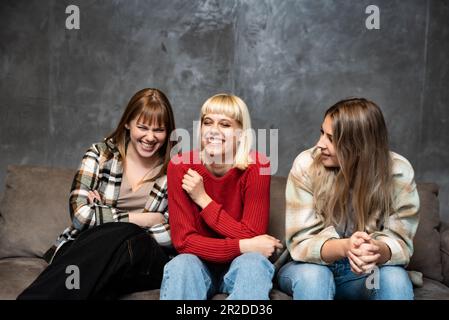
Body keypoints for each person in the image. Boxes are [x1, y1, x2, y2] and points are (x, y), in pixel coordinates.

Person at [18, 88, 177, 299]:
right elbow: (80, 216)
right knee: (101, 270)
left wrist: (104, 215)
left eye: (159, 130)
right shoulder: (101, 154)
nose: (150, 137)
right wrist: (143, 219)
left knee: (121, 238)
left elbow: (177, 232)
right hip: (93, 251)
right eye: (142, 127)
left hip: (144, 255)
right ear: (128, 124)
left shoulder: (176, 168)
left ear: (168, 132)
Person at [278, 98, 420, 300]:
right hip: (311, 267)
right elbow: (301, 244)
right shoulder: (306, 165)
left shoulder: (398, 171)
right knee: (314, 276)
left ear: (359, 145)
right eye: (321, 133)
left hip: (365, 272)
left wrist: (373, 250)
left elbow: (401, 244)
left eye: (331, 138)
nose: (320, 145)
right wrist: (346, 247)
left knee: (394, 278)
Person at [160, 93, 282, 300]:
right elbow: (184, 242)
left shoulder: (258, 166)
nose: (213, 131)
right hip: (197, 264)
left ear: (241, 133)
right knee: (181, 264)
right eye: (208, 122)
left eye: (225, 124)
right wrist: (244, 244)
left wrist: (203, 200)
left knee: (254, 263)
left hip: (241, 264)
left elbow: (253, 232)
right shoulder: (180, 166)